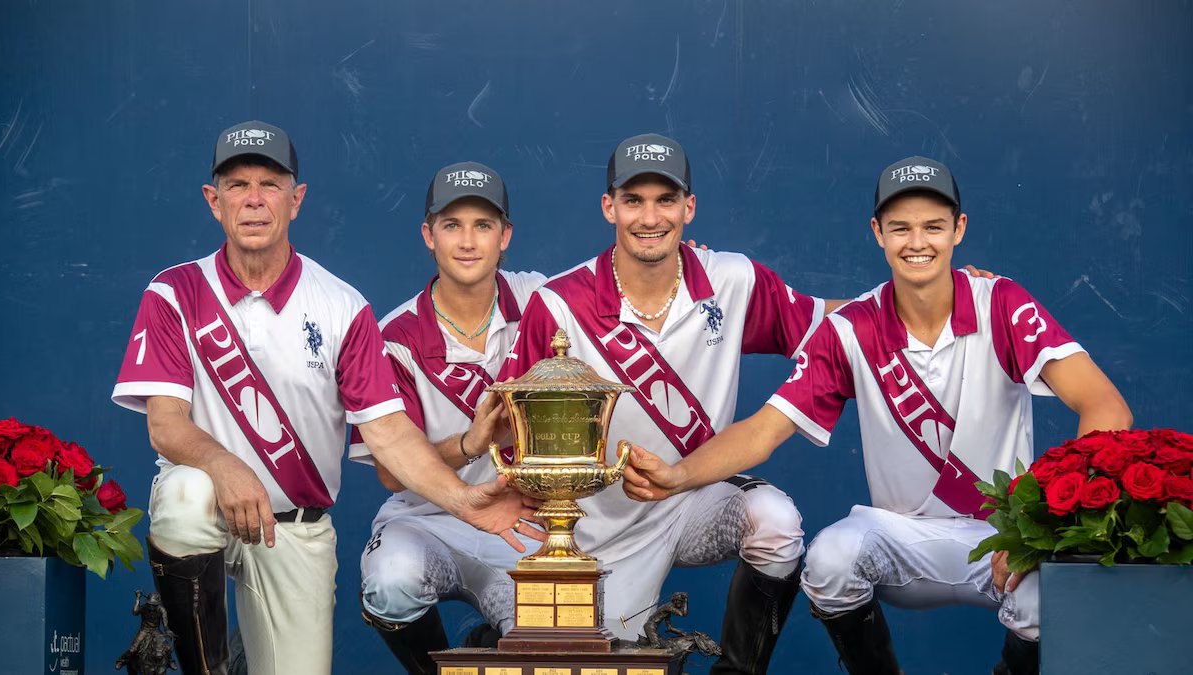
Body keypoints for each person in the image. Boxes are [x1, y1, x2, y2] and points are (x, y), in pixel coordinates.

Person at [620, 156, 1133, 674]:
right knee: (830, 559)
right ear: (878, 233)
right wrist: (678, 476)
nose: (917, 242)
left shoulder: (1003, 303)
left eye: (934, 226)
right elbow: (765, 430)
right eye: (900, 228)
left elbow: (1105, 406)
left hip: (1004, 534)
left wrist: (1041, 526)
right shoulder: (852, 328)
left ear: (959, 229)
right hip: (902, 540)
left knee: (1045, 598)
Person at [111, 122, 541, 675]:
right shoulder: (175, 292)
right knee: (185, 494)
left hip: (293, 526)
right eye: (237, 185)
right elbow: (165, 425)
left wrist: (463, 500)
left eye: (270, 184)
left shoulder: (342, 307)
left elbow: (388, 433)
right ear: (213, 201)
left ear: (297, 199)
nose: (254, 200)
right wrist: (225, 466)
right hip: (213, 500)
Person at [486, 132, 833, 675]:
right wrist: (500, 485)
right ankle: (496, 633)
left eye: (665, 200)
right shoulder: (558, 303)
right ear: (609, 207)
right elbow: (509, 427)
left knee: (775, 521)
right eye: (633, 200)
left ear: (688, 207)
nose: (650, 217)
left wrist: (930, 288)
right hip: (593, 522)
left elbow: (833, 324)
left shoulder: (732, 280)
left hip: (692, 498)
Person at [347, 162, 548, 673]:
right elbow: (393, 472)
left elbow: (620, 289)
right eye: (451, 225)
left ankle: (487, 641)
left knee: (559, 630)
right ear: (428, 235)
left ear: (505, 236)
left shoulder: (544, 302)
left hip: (521, 522)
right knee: (390, 583)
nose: (467, 240)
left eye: (483, 225)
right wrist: (470, 442)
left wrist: (681, 264)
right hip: (427, 520)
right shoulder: (393, 336)